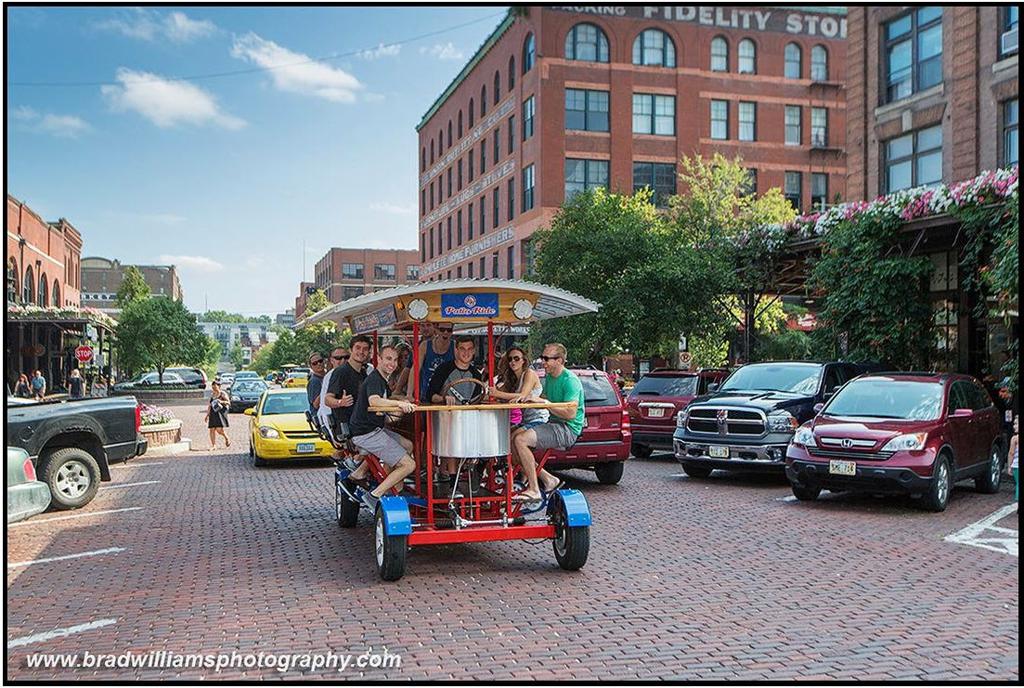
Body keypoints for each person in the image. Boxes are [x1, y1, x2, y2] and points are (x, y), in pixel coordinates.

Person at [511, 343, 585, 503]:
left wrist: (544, 403)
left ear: (559, 360)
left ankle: (534, 489)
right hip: (553, 423)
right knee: (512, 443)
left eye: (546, 358)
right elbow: (545, 398)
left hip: (567, 429)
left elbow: (570, 414)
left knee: (520, 440)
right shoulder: (550, 377)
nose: (542, 361)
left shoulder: (570, 381)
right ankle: (548, 479)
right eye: (542, 357)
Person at [348, 345, 417, 507]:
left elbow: (387, 397)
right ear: (378, 359)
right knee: (410, 464)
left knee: (408, 445)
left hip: (374, 429)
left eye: (394, 360)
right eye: (388, 359)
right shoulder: (375, 379)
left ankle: (395, 489)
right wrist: (400, 404)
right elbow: (375, 401)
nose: (392, 364)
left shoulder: (382, 380)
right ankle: (375, 495)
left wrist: (404, 399)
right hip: (366, 433)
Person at [427, 335, 487, 485]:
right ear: (456, 350)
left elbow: (478, 397)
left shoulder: (476, 374)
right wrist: (443, 399)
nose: (465, 353)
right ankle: (453, 482)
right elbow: (430, 395)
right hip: (446, 418)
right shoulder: (443, 369)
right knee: (453, 439)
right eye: (462, 349)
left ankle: (477, 469)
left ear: (473, 351)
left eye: (469, 349)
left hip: (469, 418)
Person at [490, 346, 548, 429]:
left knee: (515, 437)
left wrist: (497, 393)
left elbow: (523, 395)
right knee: (505, 433)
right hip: (525, 420)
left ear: (523, 360)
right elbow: (497, 393)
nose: (513, 361)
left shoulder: (529, 373)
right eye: (510, 359)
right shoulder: (511, 379)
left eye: (516, 358)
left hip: (539, 419)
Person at [408, 322, 454, 402]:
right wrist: (409, 394)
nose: (445, 332)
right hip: (427, 394)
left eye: (449, 330)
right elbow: (415, 369)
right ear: (437, 330)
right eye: (442, 330)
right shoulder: (425, 345)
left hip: (448, 396)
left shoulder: (455, 347)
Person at [316, 347, 349, 437]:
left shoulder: (347, 373)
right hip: (337, 425)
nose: (343, 360)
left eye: (346, 357)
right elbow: (325, 404)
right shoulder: (331, 376)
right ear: (332, 360)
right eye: (338, 358)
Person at [204, 381, 231, 449]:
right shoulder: (212, 394)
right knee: (212, 429)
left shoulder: (223, 393)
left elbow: (228, 402)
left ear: (219, 386)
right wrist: (207, 415)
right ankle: (213, 445)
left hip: (220, 413)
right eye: (212, 386)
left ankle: (226, 437)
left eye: (215, 386)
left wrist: (221, 401)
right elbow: (210, 405)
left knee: (219, 430)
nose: (213, 388)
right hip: (213, 413)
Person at [1008, 415, 1019, 503]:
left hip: (1016, 465)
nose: (1014, 426)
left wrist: (1009, 466)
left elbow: (1011, 453)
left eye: (1016, 424)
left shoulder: (1014, 439)